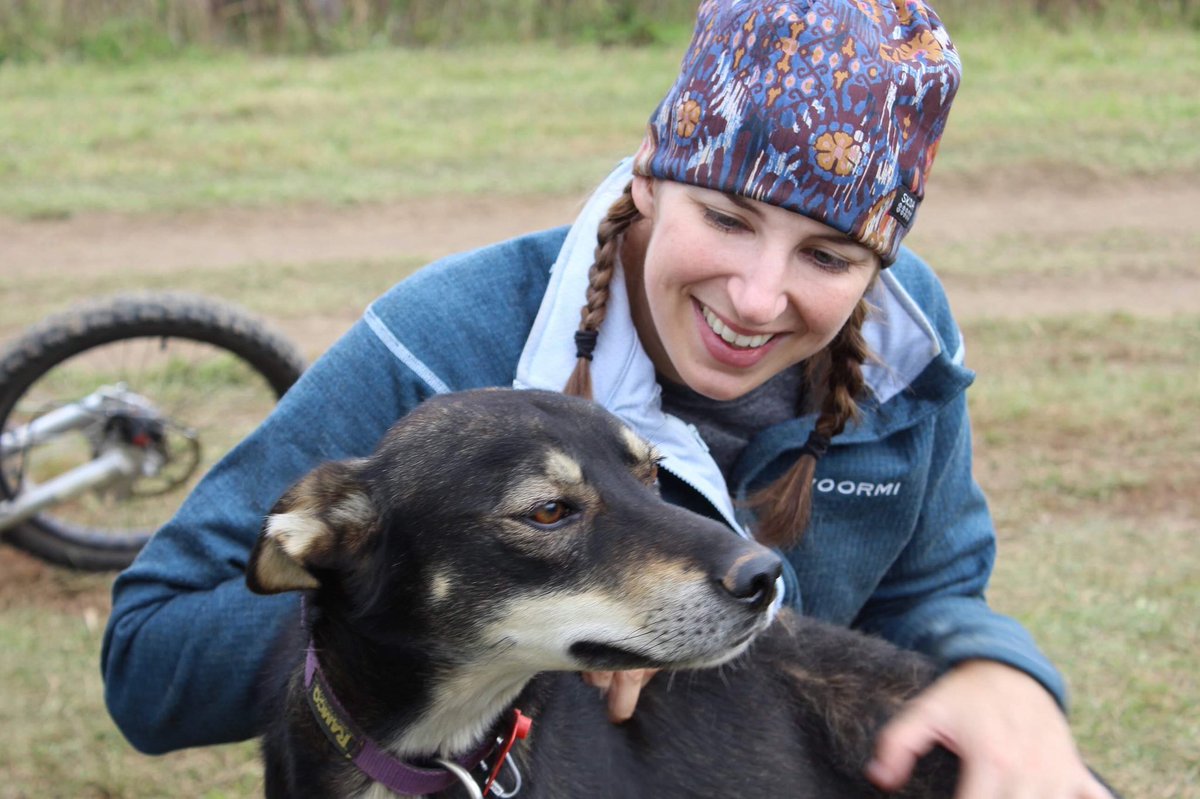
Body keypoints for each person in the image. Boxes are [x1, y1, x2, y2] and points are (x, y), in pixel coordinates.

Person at [102, 1, 1111, 796]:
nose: (758, 299)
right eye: (726, 217)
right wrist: (474, 606)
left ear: (877, 261)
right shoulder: (444, 342)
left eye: (829, 252)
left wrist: (999, 671)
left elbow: (928, 595)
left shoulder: (903, 339)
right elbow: (151, 657)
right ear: (650, 173)